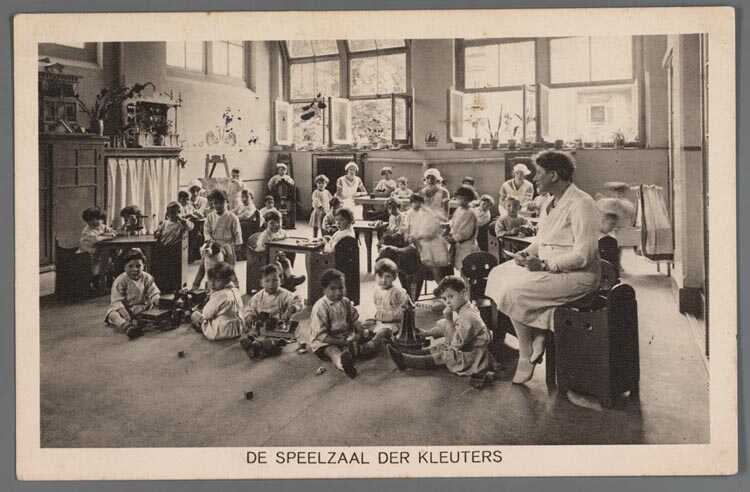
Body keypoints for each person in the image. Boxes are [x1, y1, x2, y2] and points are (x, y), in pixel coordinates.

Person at [485, 151, 601, 384]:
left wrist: (545, 264)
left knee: (514, 292)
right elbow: (543, 240)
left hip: (578, 275)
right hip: (549, 268)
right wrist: (527, 253)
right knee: (498, 274)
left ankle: (526, 352)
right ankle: (539, 334)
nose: (535, 178)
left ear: (554, 175)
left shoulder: (582, 204)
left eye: (539, 173)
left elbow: (584, 255)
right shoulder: (550, 202)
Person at [386, 275, 492, 376]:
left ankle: (406, 360)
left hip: (473, 357)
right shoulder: (463, 309)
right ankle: (411, 352)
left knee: (445, 354)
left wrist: (449, 320)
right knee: (441, 347)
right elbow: (446, 327)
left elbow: (456, 343)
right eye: (445, 299)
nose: (448, 302)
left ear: (464, 293)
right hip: (465, 348)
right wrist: (427, 333)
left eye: (451, 296)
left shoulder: (468, 316)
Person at [306, 269, 367, 378]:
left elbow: (354, 319)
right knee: (333, 351)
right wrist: (341, 342)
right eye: (333, 289)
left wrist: (360, 330)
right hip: (326, 341)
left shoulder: (346, 301)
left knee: (363, 338)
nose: (338, 292)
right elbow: (321, 335)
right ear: (324, 290)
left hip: (344, 336)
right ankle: (343, 364)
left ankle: (356, 351)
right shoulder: (320, 307)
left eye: (341, 288)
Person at [104, 248, 160, 339]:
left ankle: (140, 323)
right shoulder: (120, 280)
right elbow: (117, 300)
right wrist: (126, 315)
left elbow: (153, 291)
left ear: (144, 266)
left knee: (150, 313)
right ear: (124, 267)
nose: (135, 269)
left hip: (142, 307)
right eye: (130, 266)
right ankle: (126, 326)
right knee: (112, 314)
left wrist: (156, 299)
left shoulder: (147, 277)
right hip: (125, 308)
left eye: (138, 266)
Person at [193, 190, 242, 288]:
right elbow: (206, 231)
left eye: (221, 203)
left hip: (227, 244)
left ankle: (235, 286)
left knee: (229, 268)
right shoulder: (210, 217)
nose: (218, 205)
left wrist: (238, 243)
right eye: (215, 203)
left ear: (226, 202)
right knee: (203, 265)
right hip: (213, 244)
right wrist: (209, 242)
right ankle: (195, 286)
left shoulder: (232, 217)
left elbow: (237, 232)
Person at [242, 264, 303, 336]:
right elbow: (250, 308)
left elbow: (297, 301)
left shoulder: (284, 294)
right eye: (267, 281)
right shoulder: (258, 296)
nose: (271, 284)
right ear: (261, 283)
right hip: (261, 329)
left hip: (279, 328)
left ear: (281, 281)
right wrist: (250, 316)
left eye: (275, 280)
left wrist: (291, 310)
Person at [404, 192, 451, 286]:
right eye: (414, 202)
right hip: (416, 240)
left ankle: (442, 286)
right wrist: (408, 237)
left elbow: (432, 231)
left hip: (429, 242)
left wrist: (418, 237)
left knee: (434, 267)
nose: (416, 204)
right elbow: (407, 228)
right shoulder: (409, 213)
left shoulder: (429, 213)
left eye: (418, 202)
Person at [190, 262, 245, 340]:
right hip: (238, 328)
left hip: (222, 331)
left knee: (195, 315)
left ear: (227, 280)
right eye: (211, 280)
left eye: (217, 281)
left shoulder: (220, 295)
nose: (212, 284)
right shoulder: (236, 291)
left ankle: (203, 328)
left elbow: (206, 314)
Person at [255, 210, 306, 289]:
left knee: (286, 261)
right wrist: (271, 253)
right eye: (272, 223)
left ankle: (290, 278)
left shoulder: (282, 232)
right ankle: (281, 284)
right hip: (266, 257)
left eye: (278, 222)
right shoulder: (265, 235)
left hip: (279, 256)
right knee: (278, 265)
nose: (276, 225)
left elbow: (287, 242)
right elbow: (259, 249)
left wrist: (281, 253)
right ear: (266, 224)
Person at [370, 258, 410, 347]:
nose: (383, 280)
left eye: (387, 276)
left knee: (383, 332)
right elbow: (378, 307)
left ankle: (369, 346)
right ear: (375, 276)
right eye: (380, 276)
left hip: (394, 324)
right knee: (363, 326)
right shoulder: (376, 291)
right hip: (381, 321)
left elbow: (404, 311)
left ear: (394, 277)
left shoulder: (398, 292)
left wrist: (388, 317)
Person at [78, 206, 116, 281]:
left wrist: (111, 233)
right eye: (90, 220)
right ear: (87, 221)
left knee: (107, 256)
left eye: (98, 219)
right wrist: (107, 236)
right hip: (86, 253)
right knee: (96, 265)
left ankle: (106, 277)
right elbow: (96, 239)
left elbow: (112, 232)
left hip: (98, 252)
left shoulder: (102, 226)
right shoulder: (87, 231)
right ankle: (97, 279)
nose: (95, 222)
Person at [447, 185, 480, 271]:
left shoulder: (470, 213)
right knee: (458, 268)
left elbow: (466, 232)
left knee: (466, 268)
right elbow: (453, 223)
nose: (460, 200)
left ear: (469, 199)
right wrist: (450, 231)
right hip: (458, 245)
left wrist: (454, 238)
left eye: (463, 198)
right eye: (459, 198)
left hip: (467, 245)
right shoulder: (459, 209)